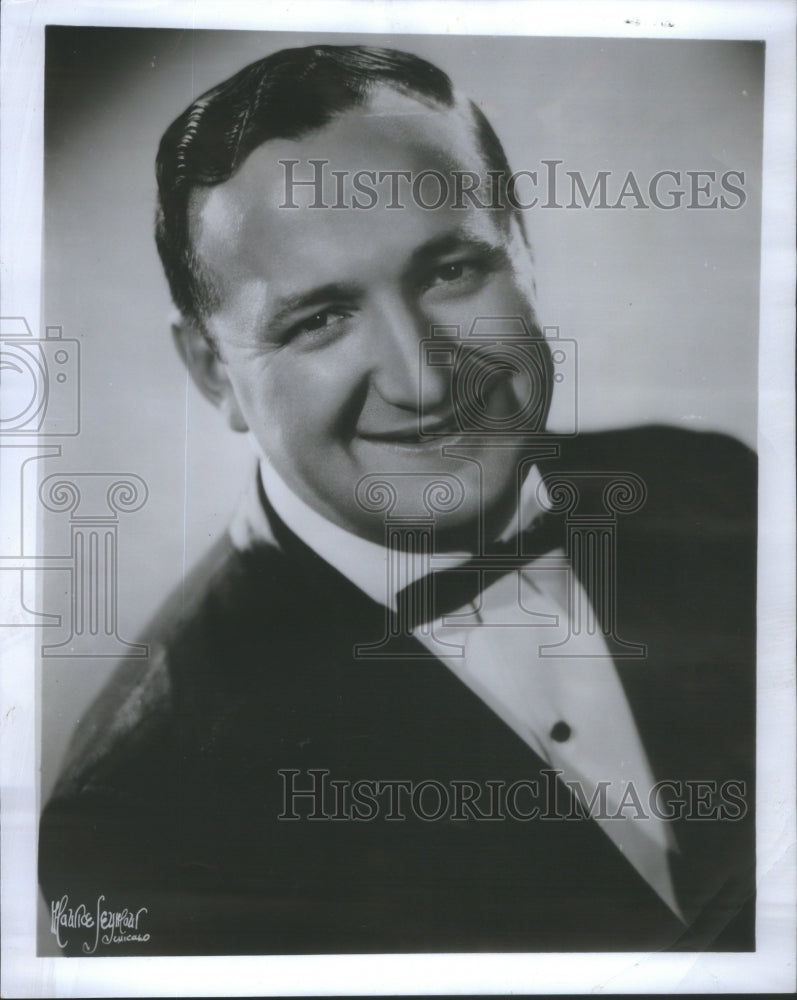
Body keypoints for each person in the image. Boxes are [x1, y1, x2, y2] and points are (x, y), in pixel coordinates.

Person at [39, 44, 756, 956]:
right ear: (212, 372)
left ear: (523, 255)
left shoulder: (718, 488)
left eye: (450, 272)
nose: (423, 380)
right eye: (319, 319)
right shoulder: (144, 818)